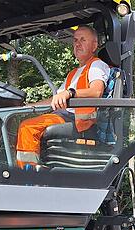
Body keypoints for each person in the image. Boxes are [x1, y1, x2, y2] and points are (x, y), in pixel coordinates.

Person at [15, 25, 110, 168]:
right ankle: (36, 168)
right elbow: (56, 98)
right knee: (18, 124)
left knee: (28, 127)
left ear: (94, 45)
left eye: (83, 40)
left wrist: (70, 93)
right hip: (63, 115)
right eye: (75, 40)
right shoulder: (73, 73)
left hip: (77, 120)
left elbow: (96, 91)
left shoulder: (97, 65)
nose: (77, 44)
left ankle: (28, 176)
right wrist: (29, 106)